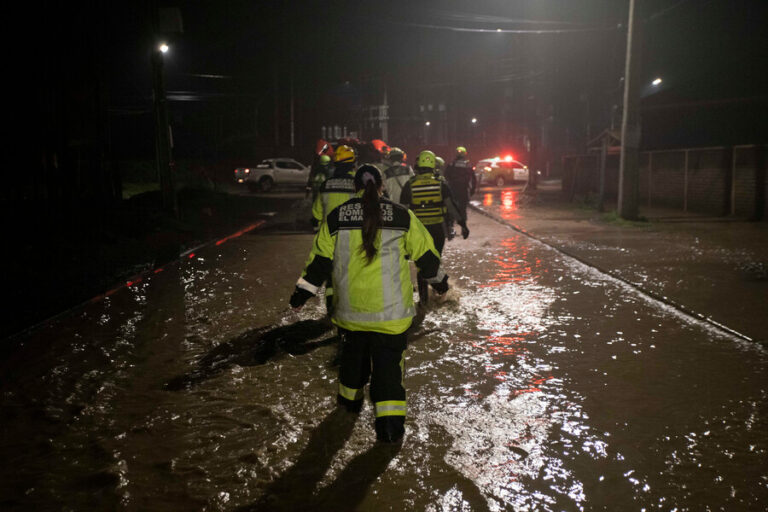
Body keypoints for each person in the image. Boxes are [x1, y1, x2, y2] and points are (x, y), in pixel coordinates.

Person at [289, 164, 449, 443]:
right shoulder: (402, 215)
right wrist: (441, 284)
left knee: (352, 365)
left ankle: (347, 412)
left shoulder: (336, 217)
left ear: (355, 186)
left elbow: (319, 263)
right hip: (392, 317)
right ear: (382, 185)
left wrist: (301, 295)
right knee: (388, 374)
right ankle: (388, 432)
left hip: (350, 314)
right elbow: (426, 258)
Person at [400, 150, 469, 304]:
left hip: (418, 232)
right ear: (433, 165)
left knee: (421, 263)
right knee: (435, 260)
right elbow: (451, 207)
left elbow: (403, 211)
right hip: (437, 230)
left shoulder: (410, 185)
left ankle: (424, 300)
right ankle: (441, 293)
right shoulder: (440, 184)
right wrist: (463, 225)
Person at [312, 145, 357, 231]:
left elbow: (317, 214)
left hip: (328, 237)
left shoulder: (325, 185)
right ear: (353, 163)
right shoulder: (359, 185)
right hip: (352, 238)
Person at [443, 146, 477, 237]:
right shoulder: (468, 165)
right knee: (463, 210)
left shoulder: (451, 165)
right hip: (464, 192)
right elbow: (473, 179)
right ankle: (463, 229)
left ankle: (450, 230)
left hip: (453, 191)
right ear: (465, 154)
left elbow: (445, 176)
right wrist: (473, 190)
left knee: (452, 209)